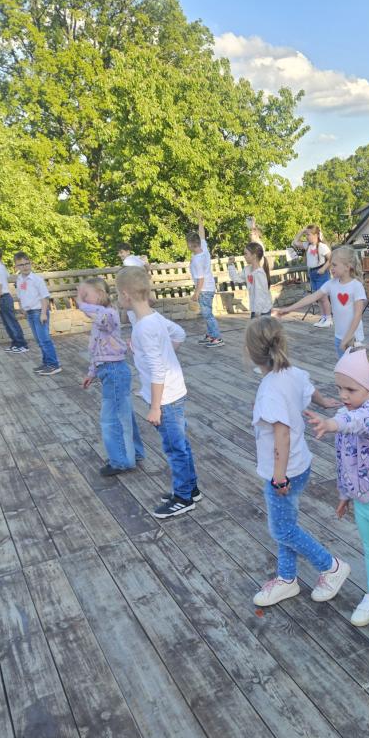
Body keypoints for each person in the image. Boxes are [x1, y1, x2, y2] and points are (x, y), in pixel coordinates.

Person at [304, 346, 369, 639]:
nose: (343, 395)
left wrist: (331, 423)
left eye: (350, 389)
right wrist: (344, 494)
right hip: (362, 501)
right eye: (339, 388)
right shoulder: (346, 412)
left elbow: (355, 424)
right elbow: (345, 461)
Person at [245, 317, 350, 607]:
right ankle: (287, 579)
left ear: (251, 352)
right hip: (300, 464)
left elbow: (282, 434)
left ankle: (331, 566)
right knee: (285, 522)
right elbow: (308, 386)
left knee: (282, 529)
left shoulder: (270, 389)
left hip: (285, 472)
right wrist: (323, 402)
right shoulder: (291, 373)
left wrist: (279, 476)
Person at [116, 265, 198, 519]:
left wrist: (154, 407)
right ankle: (191, 488)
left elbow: (157, 369)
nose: (118, 299)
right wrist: (164, 352)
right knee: (181, 443)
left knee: (174, 448)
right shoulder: (154, 317)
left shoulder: (143, 327)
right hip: (175, 391)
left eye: (118, 294)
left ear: (126, 295)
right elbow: (180, 334)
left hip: (165, 399)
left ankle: (183, 498)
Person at [77, 276, 145, 476]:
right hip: (109, 370)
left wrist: (80, 303)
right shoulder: (101, 317)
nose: (82, 298)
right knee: (124, 414)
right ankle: (134, 453)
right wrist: (92, 372)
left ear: (100, 295)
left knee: (111, 419)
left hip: (115, 371)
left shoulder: (109, 314)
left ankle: (121, 461)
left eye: (85, 294)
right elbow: (97, 349)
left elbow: (99, 317)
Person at [275, 245, 367, 357]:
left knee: (355, 367)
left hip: (354, 338)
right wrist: (288, 309)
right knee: (343, 366)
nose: (331, 268)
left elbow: (357, 315)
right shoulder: (331, 284)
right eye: (331, 264)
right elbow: (312, 297)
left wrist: (347, 338)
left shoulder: (356, 286)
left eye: (334, 265)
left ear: (347, 267)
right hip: (339, 337)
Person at [13, 252, 61, 375]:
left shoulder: (37, 279)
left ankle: (54, 365)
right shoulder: (19, 280)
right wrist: (22, 308)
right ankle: (46, 363)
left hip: (39, 312)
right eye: (21, 265)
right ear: (16, 267)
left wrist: (43, 313)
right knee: (39, 340)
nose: (25, 266)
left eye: (27, 263)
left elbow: (44, 297)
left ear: (30, 263)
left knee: (45, 340)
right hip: (29, 313)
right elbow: (20, 295)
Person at [0, 244, 27, 353]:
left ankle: (22, 345)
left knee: (10, 322)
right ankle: (15, 344)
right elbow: (6, 276)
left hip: (3, 298)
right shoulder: (0, 266)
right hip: (5, 297)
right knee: (8, 323)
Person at [187, 218, 223, 348]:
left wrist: (196, 294)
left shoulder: (197, 260)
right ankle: (210, 335)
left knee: (207, 314)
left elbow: (200, 279)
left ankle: (217, 338)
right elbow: (202, 235)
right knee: (206, 313)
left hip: (204, 289)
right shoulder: (204, 248)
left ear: (190, 245)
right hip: (209, 287)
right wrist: (200, 221)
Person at [292, 225, 333, 328]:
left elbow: (331, 259)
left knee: (324, 298)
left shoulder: (322, 246)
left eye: (308, 234)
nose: (307, 237)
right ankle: (323, 317)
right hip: (312, 273)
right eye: (306, 235)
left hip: (321, 273)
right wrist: (302, 231)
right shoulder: (307, 245)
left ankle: (329, 319)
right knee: (318, 298)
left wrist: (323, 268)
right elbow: (295, 242)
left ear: (316, 235)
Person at [243, 241, 273, 318]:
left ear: (254, 256)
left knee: (258, 327)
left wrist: (257, 313)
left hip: (262, 311)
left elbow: (260, 295)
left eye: (246, 254)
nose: (244, 256)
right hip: (255, 310)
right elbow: (237, 278)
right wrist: (230, 265)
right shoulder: (248, 269)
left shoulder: (259, 274)